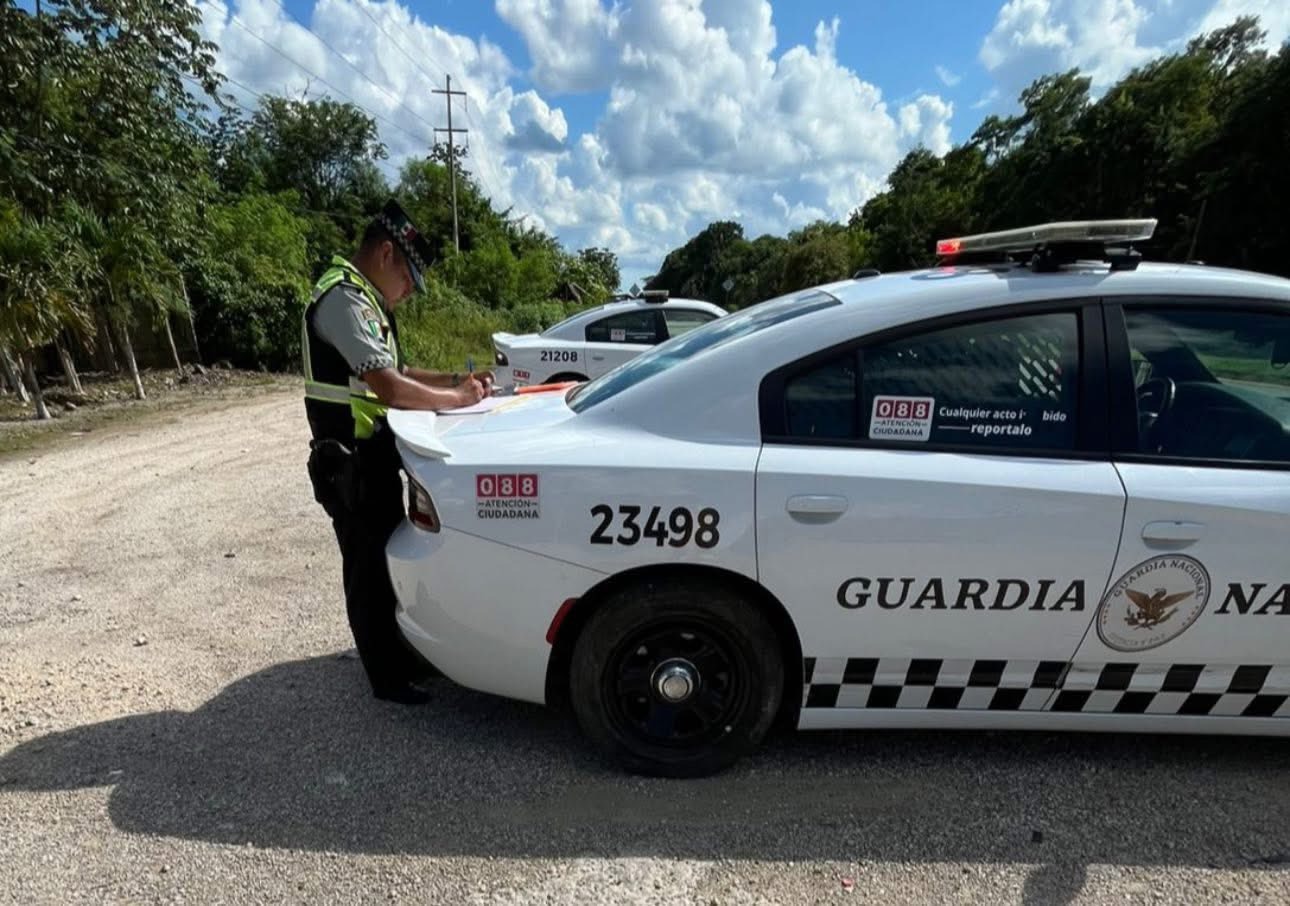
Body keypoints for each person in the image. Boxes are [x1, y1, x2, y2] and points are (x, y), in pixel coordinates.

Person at [302, 199, 493, 704]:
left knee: (386, 558)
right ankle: (385, 678)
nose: (408, 291)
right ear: (386, 253)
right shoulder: (342, 298)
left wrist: (457, 379)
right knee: (366, 568)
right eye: (408, 278)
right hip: (350, 460)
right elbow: (387, 385)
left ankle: (399, 657)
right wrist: (458, 399)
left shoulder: (367, 300)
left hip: (372, 456)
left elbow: (401, 371)